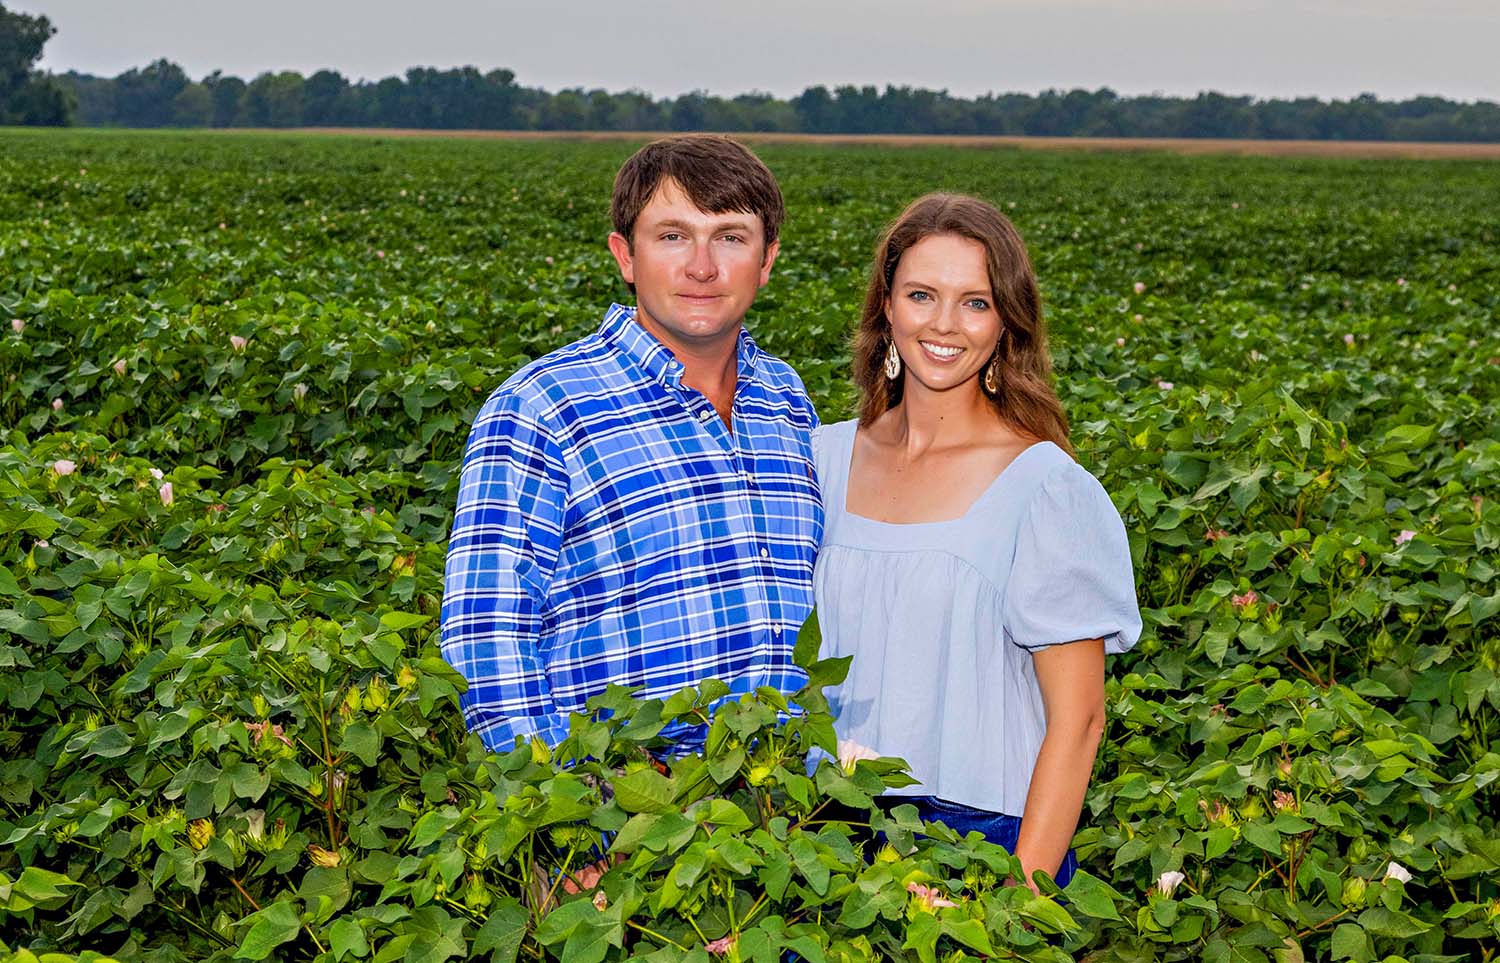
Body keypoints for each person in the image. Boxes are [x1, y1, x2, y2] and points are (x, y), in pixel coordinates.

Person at [442, 135, 822, 753]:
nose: (702, 266)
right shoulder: (543, 405)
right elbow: (487, 642)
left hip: (788, 810)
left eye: (730, 236)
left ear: (768, 259)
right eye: (672, 236)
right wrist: (567, 810)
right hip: (627, 819)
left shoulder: (786, 397)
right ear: (626, 255)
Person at [813, 193, 1141, 890]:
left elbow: (1079, 720)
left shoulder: (1044, 487)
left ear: (1005, 325)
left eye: (975, 302)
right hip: (822, 836)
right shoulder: (821, 460)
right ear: (887, 309)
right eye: (922, 294)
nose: (942, 324)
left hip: (977, 845)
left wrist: (1016, 899)